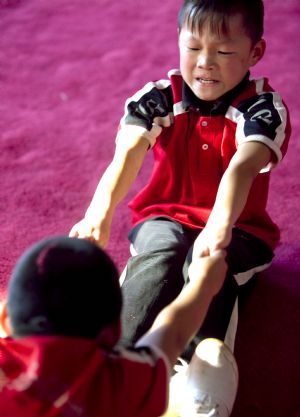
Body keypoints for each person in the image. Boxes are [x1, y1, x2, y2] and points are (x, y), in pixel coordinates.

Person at [70, 0, 291, 413]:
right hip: (165, 213)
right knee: (159, 254)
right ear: (178, 42)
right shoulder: (156, 98)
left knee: (208, 271)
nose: (206, 63)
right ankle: (114, 355)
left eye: (224, 52)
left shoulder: (264, 108)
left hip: (238, 226)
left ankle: (197, 375)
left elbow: (242, 168)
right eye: (193, 48)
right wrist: (97, 213)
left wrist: (218, 229)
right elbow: (129, 154)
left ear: (255, 53)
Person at [0, 235, 233, 417]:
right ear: (114, 332)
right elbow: (172, 334)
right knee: (211, 370)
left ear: (5, 318)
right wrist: (203, 284)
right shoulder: (121, 380)